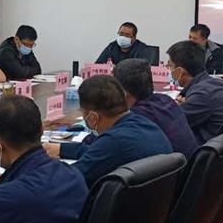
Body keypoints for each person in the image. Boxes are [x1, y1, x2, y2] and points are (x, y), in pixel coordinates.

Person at [44, 75, 172, 187]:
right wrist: (62, 149)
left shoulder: (114, 141)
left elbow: (67, 179)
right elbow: (99, 153)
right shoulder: (144, 123)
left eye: (82, 112)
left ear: (93, 117)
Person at [113, 58, 198, 157]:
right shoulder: (167, 100)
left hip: (174, 165)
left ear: (123, 91)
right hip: (191, 162)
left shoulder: (136, 119)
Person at [167, 40, 223, 143]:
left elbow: (169, 124)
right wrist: (188, 103)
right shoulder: (218, 84)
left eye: (170, 65)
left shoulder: (202, 94)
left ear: (180, 71)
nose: (168, 69)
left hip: (212, 147)